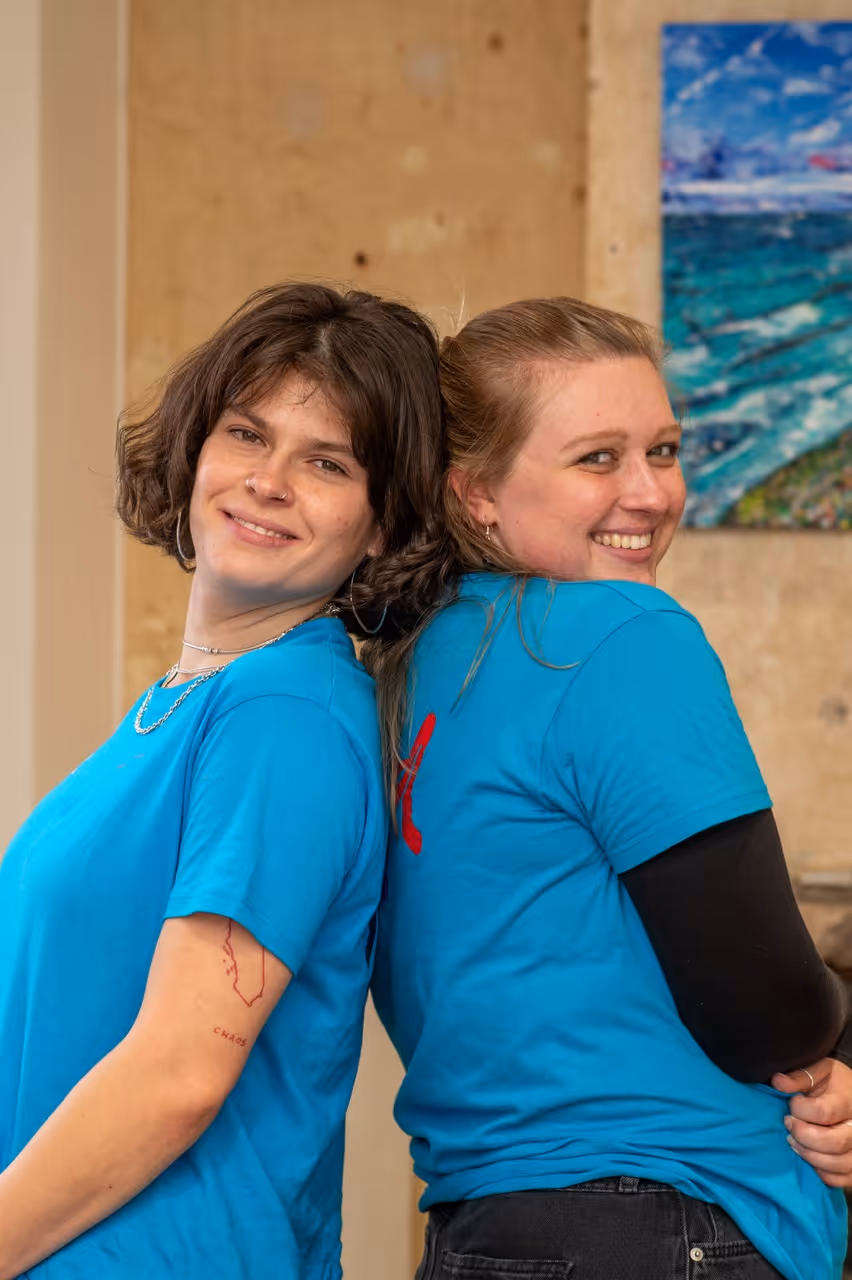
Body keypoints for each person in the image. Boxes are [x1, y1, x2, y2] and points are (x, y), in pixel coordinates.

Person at [366, 296, 852, 1280]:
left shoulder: (405, 663)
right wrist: (826, 1048)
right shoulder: (622, 635)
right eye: (597, 458)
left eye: (664, 450)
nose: (650, 491)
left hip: (485, 1224)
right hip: (667, 1218)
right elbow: (764, 1006)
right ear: (476, 491)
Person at [0, 282, 443, 1279]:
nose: (269, 479)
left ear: (382, 525)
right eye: (248, 434)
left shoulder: (282, 714)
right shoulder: (191, 702)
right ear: (197, 448)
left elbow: (179, 1074)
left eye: (327, 461)